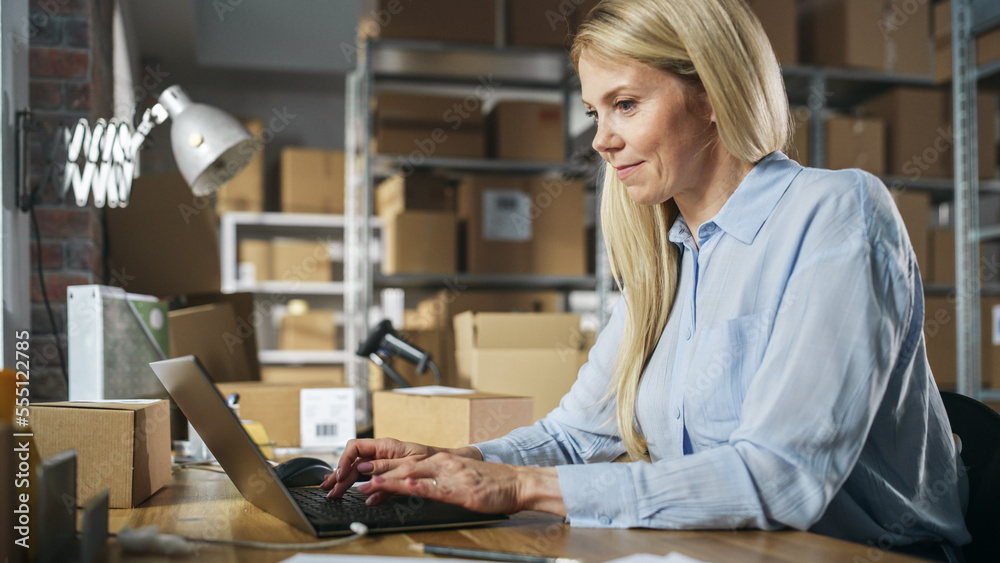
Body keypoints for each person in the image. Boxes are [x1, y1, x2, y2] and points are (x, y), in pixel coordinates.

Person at [322, 0, 971, 557]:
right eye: (594, 112)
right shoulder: (668, 256)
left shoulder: (837, 214)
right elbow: (573, 435)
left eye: (625, 104)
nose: (601, 140)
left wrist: (524, 486)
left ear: (713, 95)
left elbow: (784, 476)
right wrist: (446, 463)